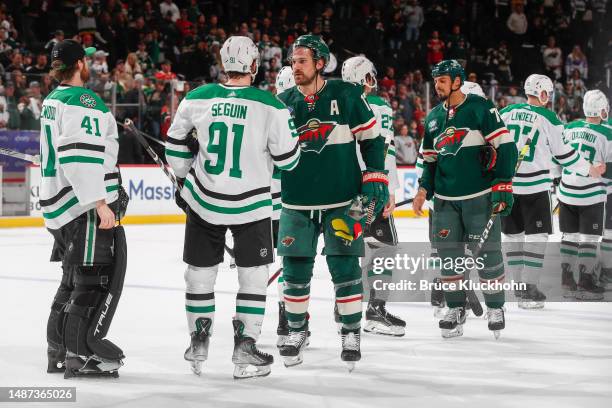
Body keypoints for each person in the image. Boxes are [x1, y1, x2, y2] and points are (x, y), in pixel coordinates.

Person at [165, 36, 300, 379]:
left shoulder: (197, 97)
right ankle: (245, 346)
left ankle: (198, 341)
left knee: (199, 274)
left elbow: (175, 144)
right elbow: (289, 160)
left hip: (204, 200)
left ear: (223, 65)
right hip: (253, 204)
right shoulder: (271, 105)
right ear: (254, 66)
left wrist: (184, 180)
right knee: (253, 278)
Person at [276, 35, 387, 371]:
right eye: (293, 61)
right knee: (294, 273)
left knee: (346, 268)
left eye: (302, 61)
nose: (295, 67)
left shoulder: (348, 94)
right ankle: (296, 332)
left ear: (321, 63)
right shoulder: (281, 103)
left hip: (347, 201)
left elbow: (372, 140)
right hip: (295, 203)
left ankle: (351, 332)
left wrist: (376, 178)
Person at [41, 39, 128, 378]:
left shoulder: (53, 99)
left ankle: (57, 349)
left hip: (57, 204)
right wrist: (100, 203)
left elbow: (63, 151)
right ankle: (80, 354)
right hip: (81, 206)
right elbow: (80, 155)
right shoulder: (84, 101)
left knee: (71, 279)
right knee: (91, 281)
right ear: (79, 65)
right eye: (87, 60)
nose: (92, 65)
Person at [413, 60, 518, 339]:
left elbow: (506, 146)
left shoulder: (481, 108)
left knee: (488, 254)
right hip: (445, 201)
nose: (437, 85)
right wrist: (424, 190)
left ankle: (496, 307)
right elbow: (430, 162)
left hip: (479, 198)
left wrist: (503, 185)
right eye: (435, 80)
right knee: (449, 259)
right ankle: (455, 308)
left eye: (443, 80)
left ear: (458, 81)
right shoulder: (433, 117)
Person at [500, 74, 602, 309]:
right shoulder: (549, 118)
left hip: (508, 185)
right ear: (543, 93)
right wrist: (590, 169)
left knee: (513, 236)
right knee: (536, 237)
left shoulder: (505, 112)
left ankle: (518, 286)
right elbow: (565, 155)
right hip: (535, 187)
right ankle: (529, 288)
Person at [342, 55, 405, 336]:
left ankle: (344, 304)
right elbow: (384, 149)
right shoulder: (378, 105)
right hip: (372, 188)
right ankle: (375, 312)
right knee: (383, 248)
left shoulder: (335, 102)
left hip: (346, 191)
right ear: (367, 78)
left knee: (348, 245)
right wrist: (389, 189)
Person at [558, 90, 611, 300]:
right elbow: (608, 169)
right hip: (591, 193)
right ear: (601, 110)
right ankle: (586, 280)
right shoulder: (607, 133)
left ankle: (566, 277)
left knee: (569, 236)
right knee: (589, 238)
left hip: (567, 190)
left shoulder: (569, 127)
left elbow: (558, 156)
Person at [273, 66, 297, 348]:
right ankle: (287, 320)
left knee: (253, 270)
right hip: (287, 203)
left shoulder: (266, 110)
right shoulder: (301, 112)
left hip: (258, 205)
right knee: (290, 266)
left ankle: (247, 330)